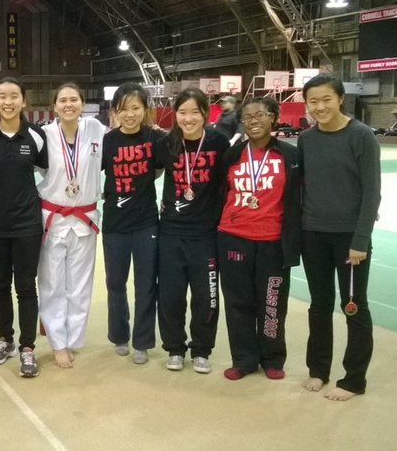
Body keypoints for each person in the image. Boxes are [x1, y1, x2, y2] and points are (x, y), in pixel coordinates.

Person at [298, 73, 381, 401]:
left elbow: (371, 192)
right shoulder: (306, 139)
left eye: (326, 100)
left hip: (349, 239)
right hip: (312, 235)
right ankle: (318, 370)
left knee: (353, 306)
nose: (320, 107)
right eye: (313, 101)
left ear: (340, 98)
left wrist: (360, 239)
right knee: (319, 305)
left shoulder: (362, 136)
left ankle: (354, 380)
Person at [217, 96, 302, 381]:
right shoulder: (232, 155)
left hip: (273, 242)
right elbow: (220, 193)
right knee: (238, 302)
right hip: (234, 239)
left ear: (274, 117)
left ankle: (272, 358)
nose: (254, 122)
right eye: (248, 118)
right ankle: (243, 359)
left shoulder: (289, 155)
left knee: (272, 302)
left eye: (260, 115)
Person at [155, 88, 229, 374]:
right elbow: (150, 170)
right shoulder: (165, 144)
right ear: (175, 115)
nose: (188, 118)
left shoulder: (218, 143)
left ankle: (201, 349)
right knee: (171, 295)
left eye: (194, 112)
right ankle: (174, 348)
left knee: (206, 296)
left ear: (205, 113)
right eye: (182, 112)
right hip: (171, 232)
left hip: (206, 234)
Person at [0, 77, 48, 378]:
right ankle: (5, 339)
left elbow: (49, 173)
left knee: (25, 287)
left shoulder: (36, 136)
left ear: (24, 101)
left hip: (27, 225)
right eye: (2, 96)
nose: (8, 102)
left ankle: (27, 347)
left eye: (14, 96)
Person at [37, 83, 105, 368]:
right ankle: (57, 342)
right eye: (62, 100)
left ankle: (73, 338)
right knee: (52, 283)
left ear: (82, 103)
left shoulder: (98, 131)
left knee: (80, 285)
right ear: (55, 106)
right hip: (52, 218)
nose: (68, 104)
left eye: (73, 99)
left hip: (85, 219)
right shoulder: (43, 136)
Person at [101, 83, 163, 365]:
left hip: (146, 223)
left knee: (146, 284)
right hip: (114, 224)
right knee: (115, 283)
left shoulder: (155, 139)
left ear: (145, 110)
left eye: (135, 107)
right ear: (115, 111)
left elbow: (161, 169)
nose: (130, 114)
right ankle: (120, 335)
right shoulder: (108, 141)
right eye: (123, 108)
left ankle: (142, 341)